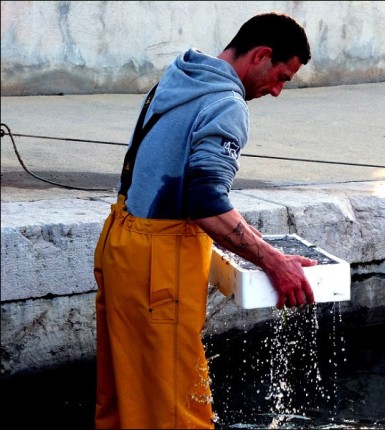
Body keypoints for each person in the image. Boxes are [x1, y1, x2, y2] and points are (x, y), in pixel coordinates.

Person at [94, 11, 316, 430]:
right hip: (158, 266)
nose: (277, 91)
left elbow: (179, 183)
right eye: (282, 77)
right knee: (178, 409)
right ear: (262, 55)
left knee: (125, 397)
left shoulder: (180, 76)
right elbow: (207, 203)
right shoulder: (226, 103)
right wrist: (274, 261)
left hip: (120, 243)